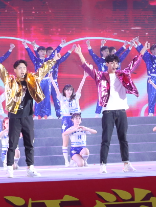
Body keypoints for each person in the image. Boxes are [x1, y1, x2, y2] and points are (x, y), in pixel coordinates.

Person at [74, 42, 147, 174]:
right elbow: (88, 68)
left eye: (116, 63)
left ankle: (126, 163)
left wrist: (143, 51)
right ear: (107, 64)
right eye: (112, 63)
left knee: (123, 138)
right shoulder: (100, 76)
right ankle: (103, 165)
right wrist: (80, 54)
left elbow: (133, 63)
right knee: (106, 139)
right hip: (108, 112)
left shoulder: (123, 74)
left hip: (121, 110)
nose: (114, 65)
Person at [0, 47, 60, 178]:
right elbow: (1, 69)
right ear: (15, 70)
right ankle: (9, 168)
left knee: (29, 143)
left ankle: (30, 168)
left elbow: (43, 70)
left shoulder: (31, 80)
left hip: (28, 116)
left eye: (24, 68)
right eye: (20, 68)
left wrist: (54, 60)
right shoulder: (10, 81)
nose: (22, 70)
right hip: (15, 116)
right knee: (12, 143)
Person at [85, 39, 131, 116]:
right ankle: (97, 114)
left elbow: (118, 54)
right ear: (102, 52)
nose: (107, 52)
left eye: (108, 51)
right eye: (105, 51)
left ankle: (116, 112)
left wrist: (125, 46)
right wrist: (89, 46)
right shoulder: (99, 60)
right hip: (103, 81)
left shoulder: (111, 61)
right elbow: (92, 54)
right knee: (102, 96)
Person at [52, 74, 87, 166]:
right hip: (66, 120)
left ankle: (77, 159)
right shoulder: (61, 98)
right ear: (64, 91)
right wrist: (51, 79)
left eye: (71, 90)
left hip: (75, 119)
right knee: (65, 141)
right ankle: (66, 161)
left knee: (77, 141)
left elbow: (80, 88)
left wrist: (84, 77)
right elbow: (56, 89)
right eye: (67, 90)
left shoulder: (76, 97)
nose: (69, 91)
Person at [23, 40, 62, 119]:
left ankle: (48, 114)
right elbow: (30, 53)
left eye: (44, 51)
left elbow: (54, 53)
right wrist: (25, 45)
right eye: (41, 51)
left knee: (47, 98)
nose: (43, 52)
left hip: (47, 81)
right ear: (38, 53)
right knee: (38, 98)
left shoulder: (48, 60)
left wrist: (61, 45)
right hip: (39, 81)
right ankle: (36, 115)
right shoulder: (36, 60)